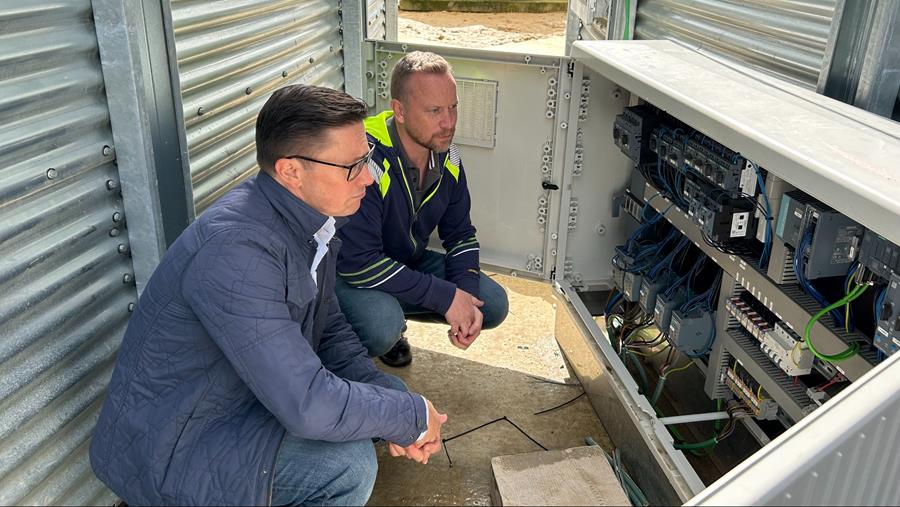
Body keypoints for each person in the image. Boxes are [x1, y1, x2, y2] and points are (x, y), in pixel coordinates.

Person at [89, 85, 448, 506]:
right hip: (171, 448)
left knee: (387, 401)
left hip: (237, 403)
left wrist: (398, 406)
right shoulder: (237, 251)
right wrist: (408, 417)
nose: (368, 177)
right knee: (345, 466)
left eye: (366, 157)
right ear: (291, 171)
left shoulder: (312, 224)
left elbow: (329, 332)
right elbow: (306, 403)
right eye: (353, 166)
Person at [335, 51, 509, 367]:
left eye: (453, 108)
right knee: (380, 326)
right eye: (434, 111)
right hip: (350, 271)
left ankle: (393, 303)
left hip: (403, 259)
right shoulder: (366, 159)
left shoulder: (447, 156)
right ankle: (338, 344)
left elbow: (461, 236)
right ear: (399, 111)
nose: (449, 123)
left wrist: (465, 299)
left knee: (491, 304)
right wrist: (444, 297)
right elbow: (359, 264)